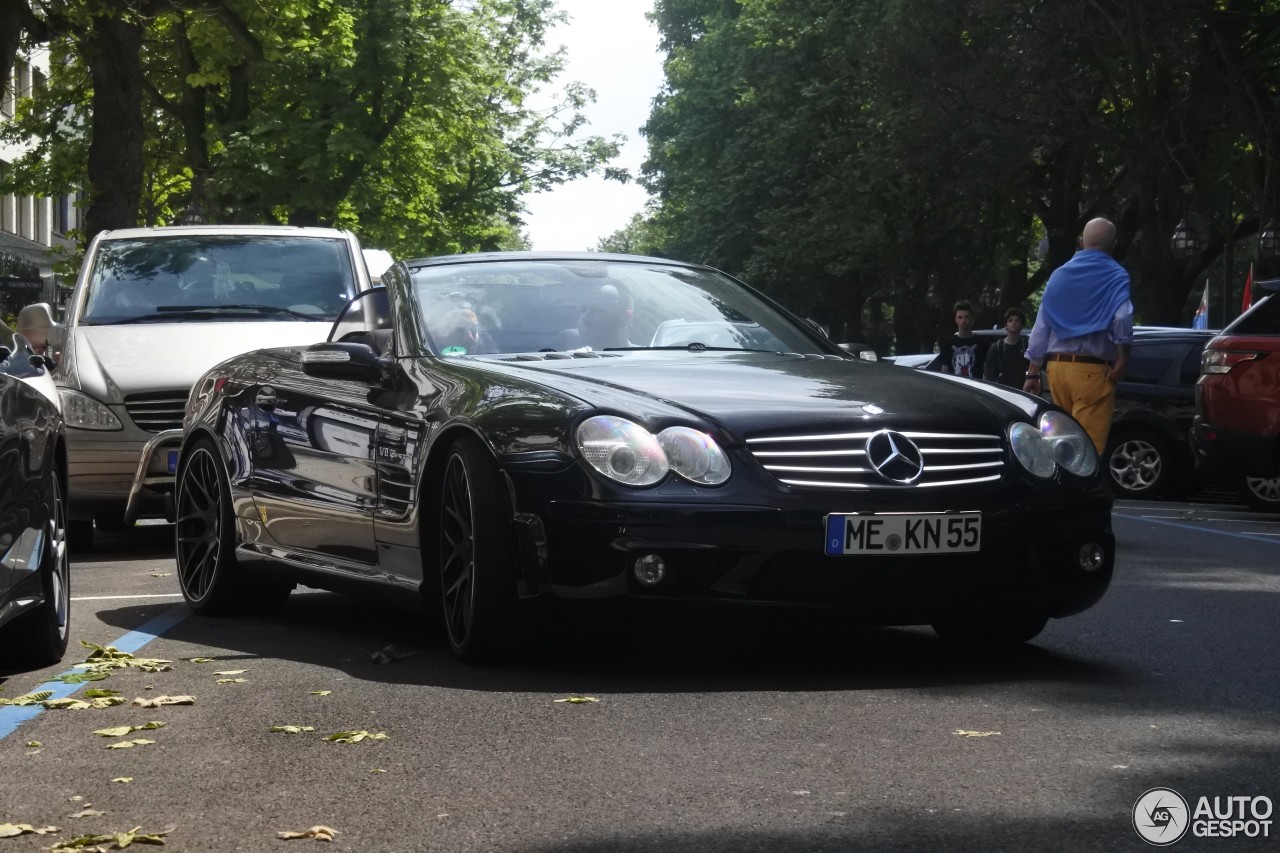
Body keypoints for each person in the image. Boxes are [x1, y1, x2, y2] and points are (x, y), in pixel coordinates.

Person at [1024, 217, 1133, 454]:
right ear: (1114, 245)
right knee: (1088, 451)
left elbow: (1041, 326)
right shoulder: (1116, 275)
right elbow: (1123, 317)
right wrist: (1124, 355)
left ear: (1081, 241)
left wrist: (1033, 372)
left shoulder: (1058, 276)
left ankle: (1059, 489)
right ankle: (1083, 490)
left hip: (1056, 371)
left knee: (1059, 444)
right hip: (1092, 373)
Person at [935, 300, 988, 377]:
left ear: (972, 319)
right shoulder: (947, 346)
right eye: (960, 317)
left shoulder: (983, 345)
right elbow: (944, 376)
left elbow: (987, 374)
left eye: (966, 317)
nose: (963, 320)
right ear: (955, 320)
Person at [982, 307, 1029, 388]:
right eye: (1010, 320)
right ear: (1006, 325)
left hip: (1022, 392)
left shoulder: (1027, 346)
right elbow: (989, 376)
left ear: (1021, 325)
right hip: (1001, 392)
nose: (1013, 322)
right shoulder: (996, 348)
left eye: (1017, 320)